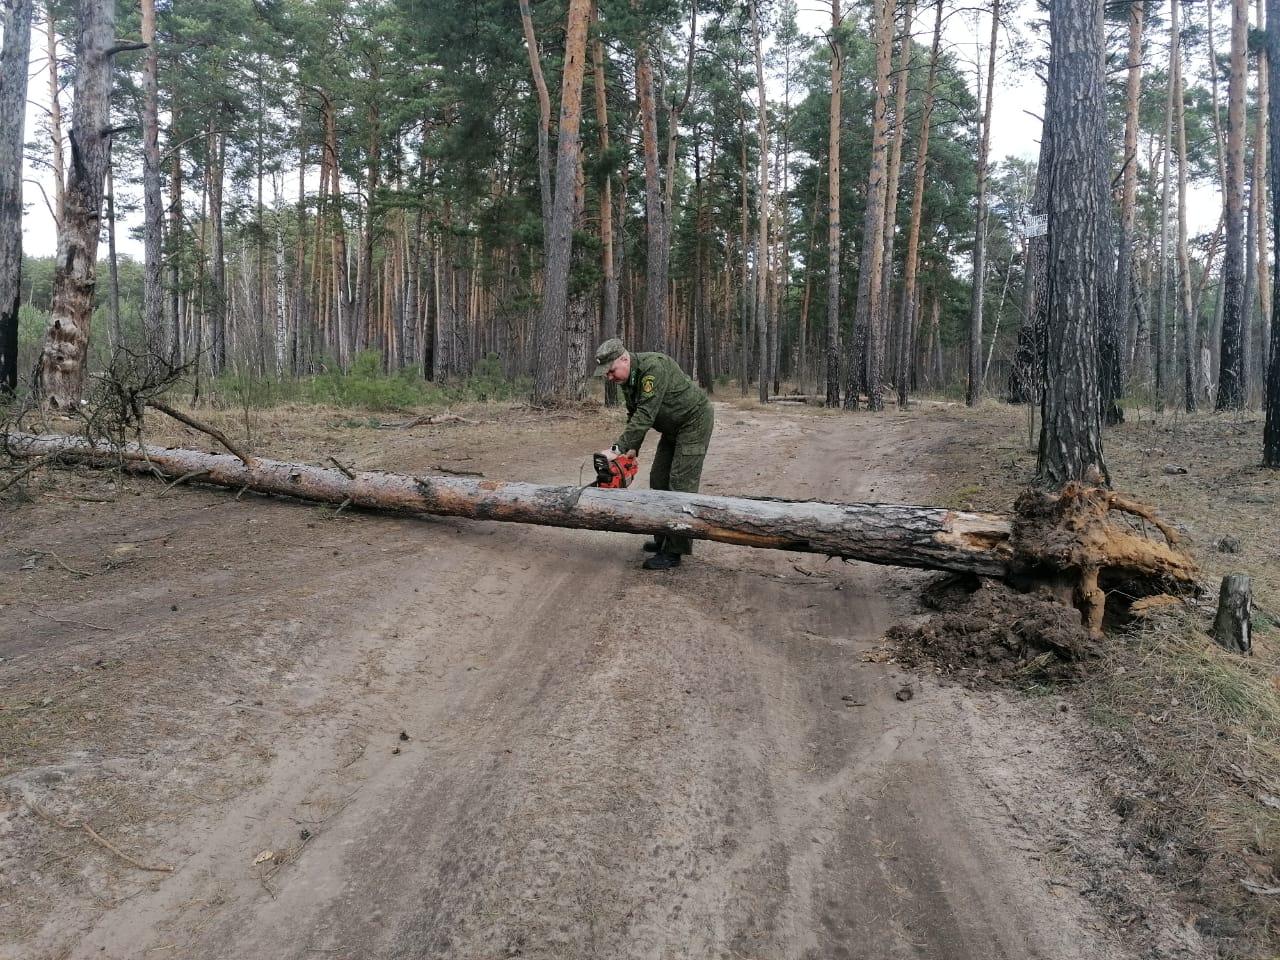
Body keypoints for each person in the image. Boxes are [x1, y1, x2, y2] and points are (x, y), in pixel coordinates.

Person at [593, 338, 714, 570]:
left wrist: (615, 449)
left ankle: (675, 550)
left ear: (624, 359)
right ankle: (662, 537)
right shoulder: (629, 380)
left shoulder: (653, 368)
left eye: (611, 371)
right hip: (671, 428)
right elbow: (634, 416)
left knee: (680, 485)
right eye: (606, 374)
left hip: (694, 422)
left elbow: (646, 415)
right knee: (658, 479)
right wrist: (631, 451)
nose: (609, 377)